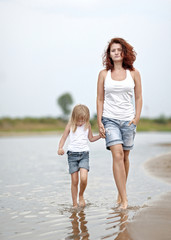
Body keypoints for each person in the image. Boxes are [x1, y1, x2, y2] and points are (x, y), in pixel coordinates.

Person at [97, 38, 142, 210]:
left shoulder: (134, 73)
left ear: (124, 53)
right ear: (109, 54)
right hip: (110, 119)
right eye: (112, 50)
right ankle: (124, 200)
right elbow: (100, 98)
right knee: (117, 155)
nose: (115, 52)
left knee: (125, 157)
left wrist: (136, 118)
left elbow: (138, 97)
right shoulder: (103, 74)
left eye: (118, 50)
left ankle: (120, 193)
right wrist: (100, 120)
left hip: (128, 120)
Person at [58, 104, 101, 208]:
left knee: (84, 178)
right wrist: (60, 147)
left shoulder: (87, 125)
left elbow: (90, 138)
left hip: (84, 155)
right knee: (74, 181)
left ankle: (81, 195)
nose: (81, 123)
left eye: (83, 120)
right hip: (72, 155)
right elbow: (63, 138)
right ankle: (74, 204)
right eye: (79, 120)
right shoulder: (70, 126)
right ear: (74, 118)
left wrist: (100, 136)